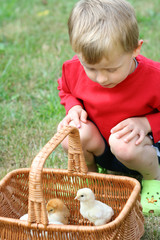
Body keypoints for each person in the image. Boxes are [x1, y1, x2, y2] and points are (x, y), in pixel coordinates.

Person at [57, 0, 160, 215]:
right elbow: (66, 90)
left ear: (135, 49)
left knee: (122, 144)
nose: (101, 78)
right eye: (91, 68)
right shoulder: (73, 69)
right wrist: (73, 107)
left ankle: (153, 179)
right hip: (103, 146)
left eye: (112, 69)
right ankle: (93, 182)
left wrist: (146, 122)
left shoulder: (154, 77)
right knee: (71, 136)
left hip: (141, 149)